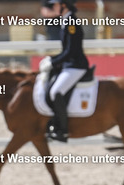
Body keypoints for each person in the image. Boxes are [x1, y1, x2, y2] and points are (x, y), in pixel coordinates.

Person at [39, 0, 89, 143]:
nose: (53, 7)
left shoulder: (71, 22)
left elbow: (71, 51)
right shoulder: (65, 20)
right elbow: (66, 50)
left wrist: (53, 62)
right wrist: (52, 59)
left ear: (64, 5)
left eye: (55, 5)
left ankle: (63, 129)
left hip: (76, 65)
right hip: (69, 64)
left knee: (56, 92)